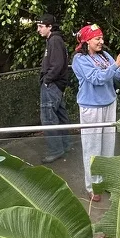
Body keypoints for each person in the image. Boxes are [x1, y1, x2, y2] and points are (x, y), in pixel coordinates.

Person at [72, 24, 120, 202]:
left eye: (101, 38)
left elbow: (116, 78)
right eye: (97, 38)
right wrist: (115, 66)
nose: (101, 41)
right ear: (86, 41)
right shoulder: (79, 60)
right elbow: (96, 79)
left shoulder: (105, 55)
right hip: (91, 107)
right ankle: (93, 186)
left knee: (108, 145)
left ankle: (106, 181)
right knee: (92, 147)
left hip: (109, 103)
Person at [36, 14, 73, 164]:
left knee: (48, 118)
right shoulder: (54, 40)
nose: (38, 30)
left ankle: (56, 150)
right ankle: (66, 145)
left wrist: (47, 80)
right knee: (60, 115)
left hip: (52, 84)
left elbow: (57, 64)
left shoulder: (55, 40)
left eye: (41, 26)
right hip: (56, 84)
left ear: (49, 26)